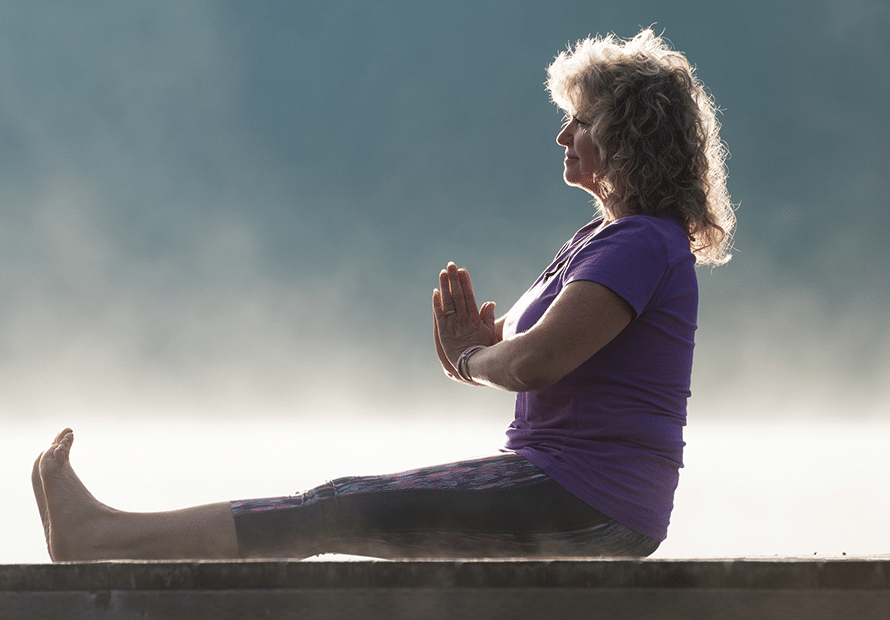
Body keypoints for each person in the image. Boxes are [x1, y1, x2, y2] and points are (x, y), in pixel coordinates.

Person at [32, 28, 734, 562]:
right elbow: (533, 356)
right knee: (339, 506)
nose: (562, 135)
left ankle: (100, 536)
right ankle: (103, 533)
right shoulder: (607, 238)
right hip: (570, 490)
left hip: (591, 503)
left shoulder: (642, 243)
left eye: (579, 121)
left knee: (338, 508)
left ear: (626, 134)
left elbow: (535, 363)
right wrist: (483, 349)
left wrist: (475, 360)